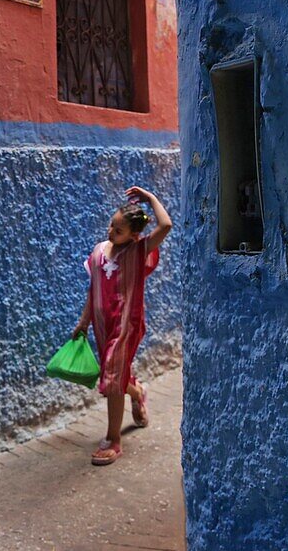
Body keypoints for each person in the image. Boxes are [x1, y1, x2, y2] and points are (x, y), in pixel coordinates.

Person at [72, 186, 172, 466]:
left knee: (113, 378)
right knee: (113, 374)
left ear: (133, 235)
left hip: (127, 326)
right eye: (111, 226)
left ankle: (113, 440)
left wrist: (151, 198)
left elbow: (166, 225)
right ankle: (137, 392)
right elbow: (93, 290)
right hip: (104, 326)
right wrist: (84, 322)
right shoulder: (98, 252)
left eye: (118, 230)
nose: (110, 232)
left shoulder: (138, 251)